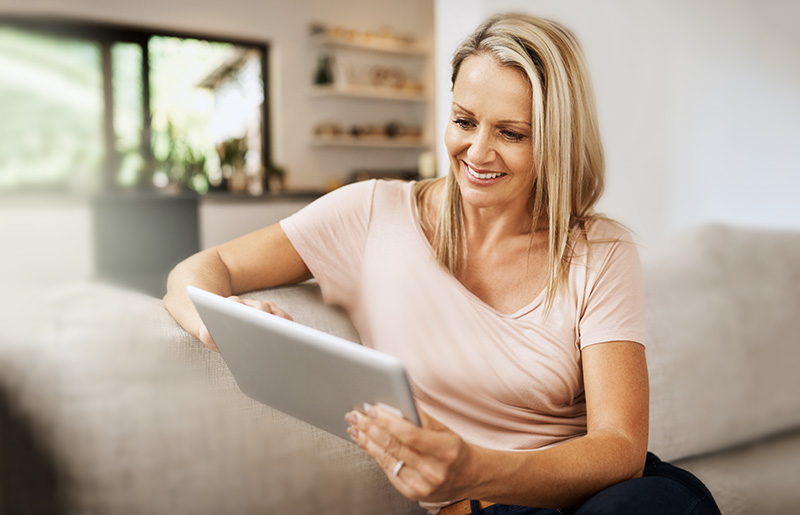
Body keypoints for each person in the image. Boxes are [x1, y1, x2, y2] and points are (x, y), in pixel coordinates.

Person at [164, 12, 721, 515]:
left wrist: (479, 468)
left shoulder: (599, 251)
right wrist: (221, 320)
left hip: (606, 495)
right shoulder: (370, 213)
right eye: (463, 121)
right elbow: (200, 269)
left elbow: (620, 446)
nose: (478, 152)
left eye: (511, 133)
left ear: (557, 141)